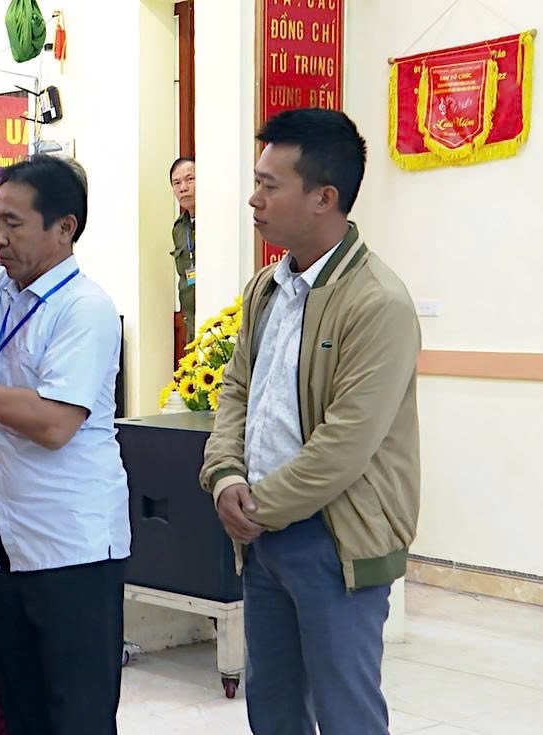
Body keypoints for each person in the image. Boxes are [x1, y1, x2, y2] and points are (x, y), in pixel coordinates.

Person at [200, 108, 421, 734]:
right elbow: (237, 390)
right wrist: (224, 478)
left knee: (344, 712)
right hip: (263, 535)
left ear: (324, 197)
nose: (254, 198)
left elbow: (345, 445)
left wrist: (255, 503)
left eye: (270, 185)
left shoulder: (377, 302)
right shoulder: (267, 288)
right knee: (271, 705)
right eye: (257, 180)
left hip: (336, 540)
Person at [0, 154, 129, 734]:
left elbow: (56, 422)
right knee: (22, 713)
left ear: (65, 227)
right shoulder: (3, 289)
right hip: (6, 544)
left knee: (77, 716)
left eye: (14, 223)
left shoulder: (85, 309)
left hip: (72, 548)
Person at [169, 156, 197, 341]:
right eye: (176, 183)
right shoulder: (179, 228)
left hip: (220, 322)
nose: (183, 188)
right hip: (191, 323)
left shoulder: (217, 221)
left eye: (190, 179)